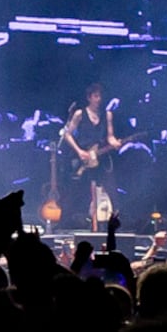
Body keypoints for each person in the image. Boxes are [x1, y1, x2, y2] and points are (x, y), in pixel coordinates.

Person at [55, 84, 124, 234]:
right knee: (77, 191)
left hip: (101, 157)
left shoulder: (107, 115)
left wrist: (115, 143)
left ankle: (115, 224)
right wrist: (79, 151)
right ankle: (64, 223)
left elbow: (110, 136)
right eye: (96, 96)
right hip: (84, 158)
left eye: (100, 96)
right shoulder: (80, 114)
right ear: (89, 97)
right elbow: (67, 134)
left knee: (111, 189)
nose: (99, 99)